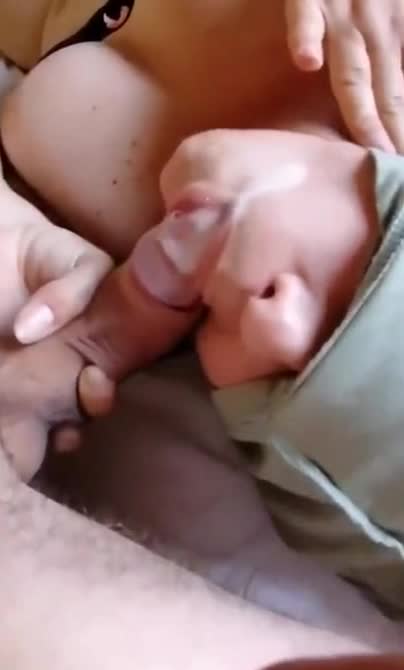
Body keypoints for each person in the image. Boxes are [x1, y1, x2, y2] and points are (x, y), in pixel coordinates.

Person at [1, 0, 404, 666]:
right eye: (355, 311)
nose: (270, 326)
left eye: (278, 392)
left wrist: (96, 327)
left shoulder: (93, 246)